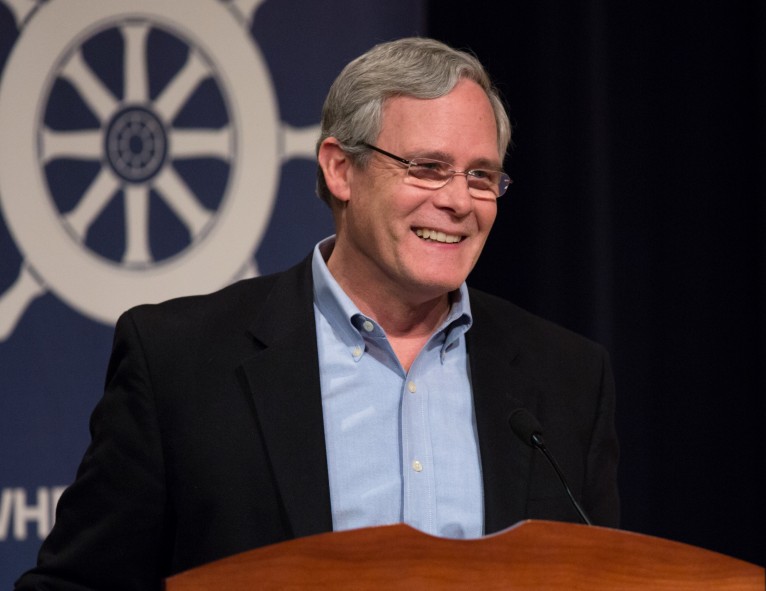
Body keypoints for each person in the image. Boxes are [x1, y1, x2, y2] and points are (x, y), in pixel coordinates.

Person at [15, 37, 619, 590]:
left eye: (481, 177)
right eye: (428, 168)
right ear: (339, 168)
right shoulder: (180, 362)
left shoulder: (566, 378)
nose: (459, 201)